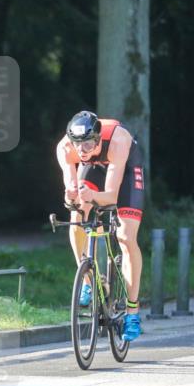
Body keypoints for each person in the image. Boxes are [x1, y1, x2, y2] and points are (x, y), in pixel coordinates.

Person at [55, 110, 146, 341]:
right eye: (78, 145)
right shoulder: (66, 149)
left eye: (88, 145)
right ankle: (88, 280)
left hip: (124, 171)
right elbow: (70, 198)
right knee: (77, 217)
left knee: (125, 236)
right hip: (96, 169)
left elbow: (111, 197)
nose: (82, 151)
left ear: (98, 139)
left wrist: (93, 197)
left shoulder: (117, 141)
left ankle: (132, 311)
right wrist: (71, 195)